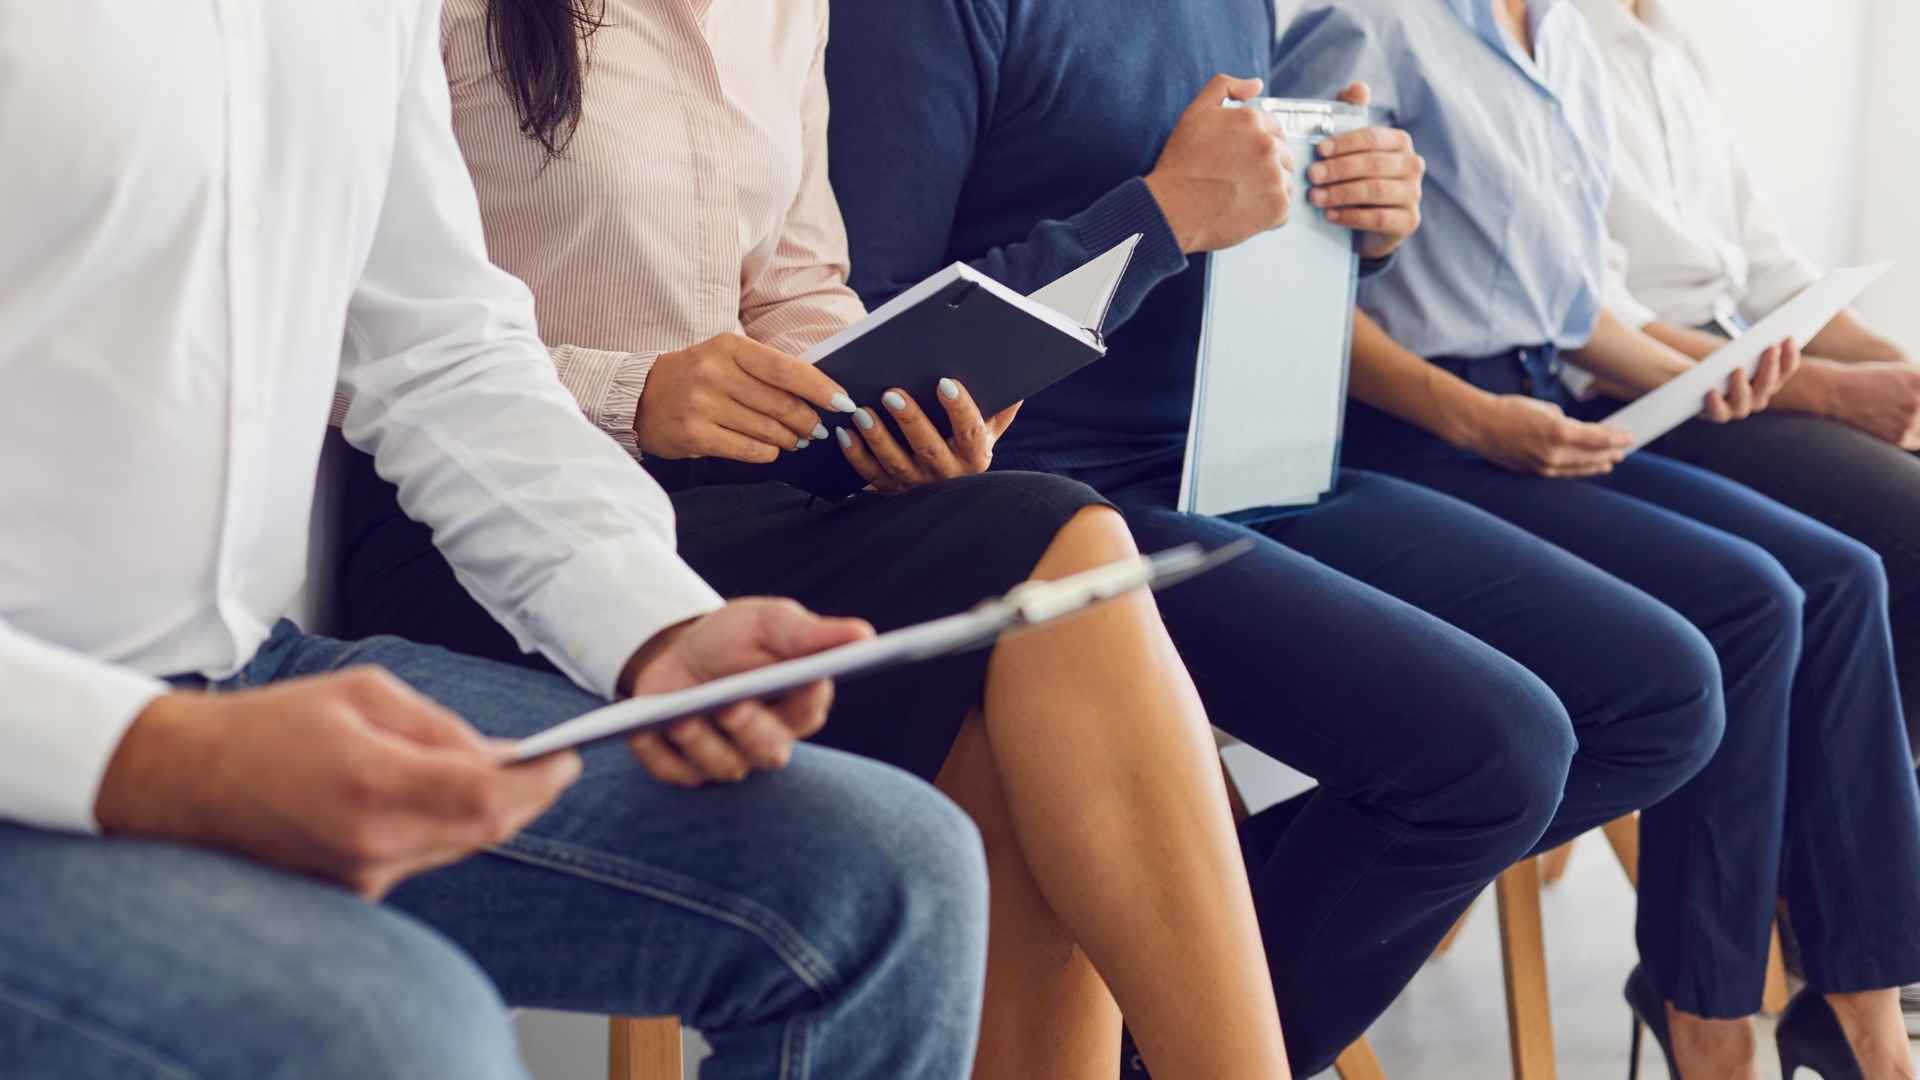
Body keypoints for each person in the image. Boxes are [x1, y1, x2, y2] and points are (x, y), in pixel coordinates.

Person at [0, 5, 996, 1078]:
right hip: (44, 728)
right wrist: (158, 757)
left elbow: (439, 352)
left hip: (248, 680)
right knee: (402, 1036)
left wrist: (657, 626)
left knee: (890, 878)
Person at [333, 2, 1290, 1077]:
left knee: (1007, 715)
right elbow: (373, 327)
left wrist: (879, 407)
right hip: (480, 528)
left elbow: (794, 285)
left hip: (743, 500)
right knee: (1059, 532)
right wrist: (631, 391)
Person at [822, 0, 1736, 1073]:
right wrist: (1156, 217)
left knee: (1664, 695)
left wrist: (1358, 228)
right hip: (1046, 498)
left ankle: (1137, 1022)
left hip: (1254, 454)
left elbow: (1236, 234)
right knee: (1498, 750)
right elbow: (872, 348)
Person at [1267, 0, 1920, 1075]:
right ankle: (1710, 1027)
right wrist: (1470, 418)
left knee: (1837, 579)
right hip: (1420, 430)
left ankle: (1865, 1022)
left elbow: (1577, 314)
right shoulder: (1375, 23)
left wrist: (1728, 385)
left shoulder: (1563, 38)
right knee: (1750, 603)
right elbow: (1294, 294)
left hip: (1541, 409)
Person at [1578, 0, 1920, 758]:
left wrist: (1891, 367)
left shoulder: (1669, 47)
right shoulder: (1560, 49)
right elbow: (1596, 326)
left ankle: (1872, 834)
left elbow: (1771, 272)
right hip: (1642, 391)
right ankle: (1827, 857)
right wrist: (1834, 390)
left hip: (1743, 358)